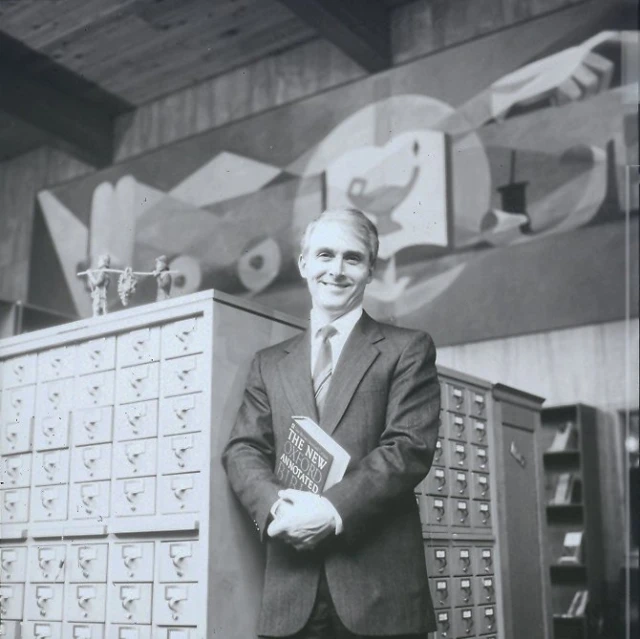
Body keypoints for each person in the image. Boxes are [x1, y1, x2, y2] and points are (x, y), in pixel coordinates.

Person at [222, 208, 441, 638]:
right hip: (291, 595)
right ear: (304, 264)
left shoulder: (407, 349)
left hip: (380, 594)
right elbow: (243, 449)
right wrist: (276, 508)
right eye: (325, 255)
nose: (336, 270)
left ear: (369, 271)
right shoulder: (269, 364)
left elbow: (408, 447)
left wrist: (330, 510)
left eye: (352, 258)